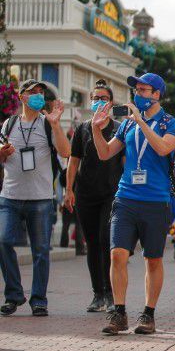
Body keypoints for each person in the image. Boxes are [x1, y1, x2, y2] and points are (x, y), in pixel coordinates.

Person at [92, 73, 175, 335]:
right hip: (126, 198)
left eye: (143, 90)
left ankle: (148, 314)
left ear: (157, 94)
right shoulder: (127, 125)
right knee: (117, 254)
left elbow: (164, 149)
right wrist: (96, 129)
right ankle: (118, 312)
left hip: (156, 201)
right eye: (136, 90)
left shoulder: (170, 123)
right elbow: (105, 153)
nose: (138, 95)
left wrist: (142, 122)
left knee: (152, 259)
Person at [0, 79, 70, 317]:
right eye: (33, 92)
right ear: (22, 97)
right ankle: (14, 295)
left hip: (40, 198)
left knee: (40, 250)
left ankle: (39, 299)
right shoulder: (8, 125)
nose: (39, 95)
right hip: (10, 196)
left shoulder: (47, 124)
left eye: (41, 92)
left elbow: (65, 152)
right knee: (3, 242)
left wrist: (57, 125)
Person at [64, 79, 124, 312]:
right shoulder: (82, 128)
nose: (99, 102)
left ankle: (110, 293)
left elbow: (124, 161)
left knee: (105, 240)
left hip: (112, 193)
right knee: (92, 243)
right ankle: (97, 294)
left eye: (104, 98)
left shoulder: (119, 128)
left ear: (111, 102)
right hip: (86, 194)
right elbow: (73, 160)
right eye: (96, 98)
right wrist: (68, 189)